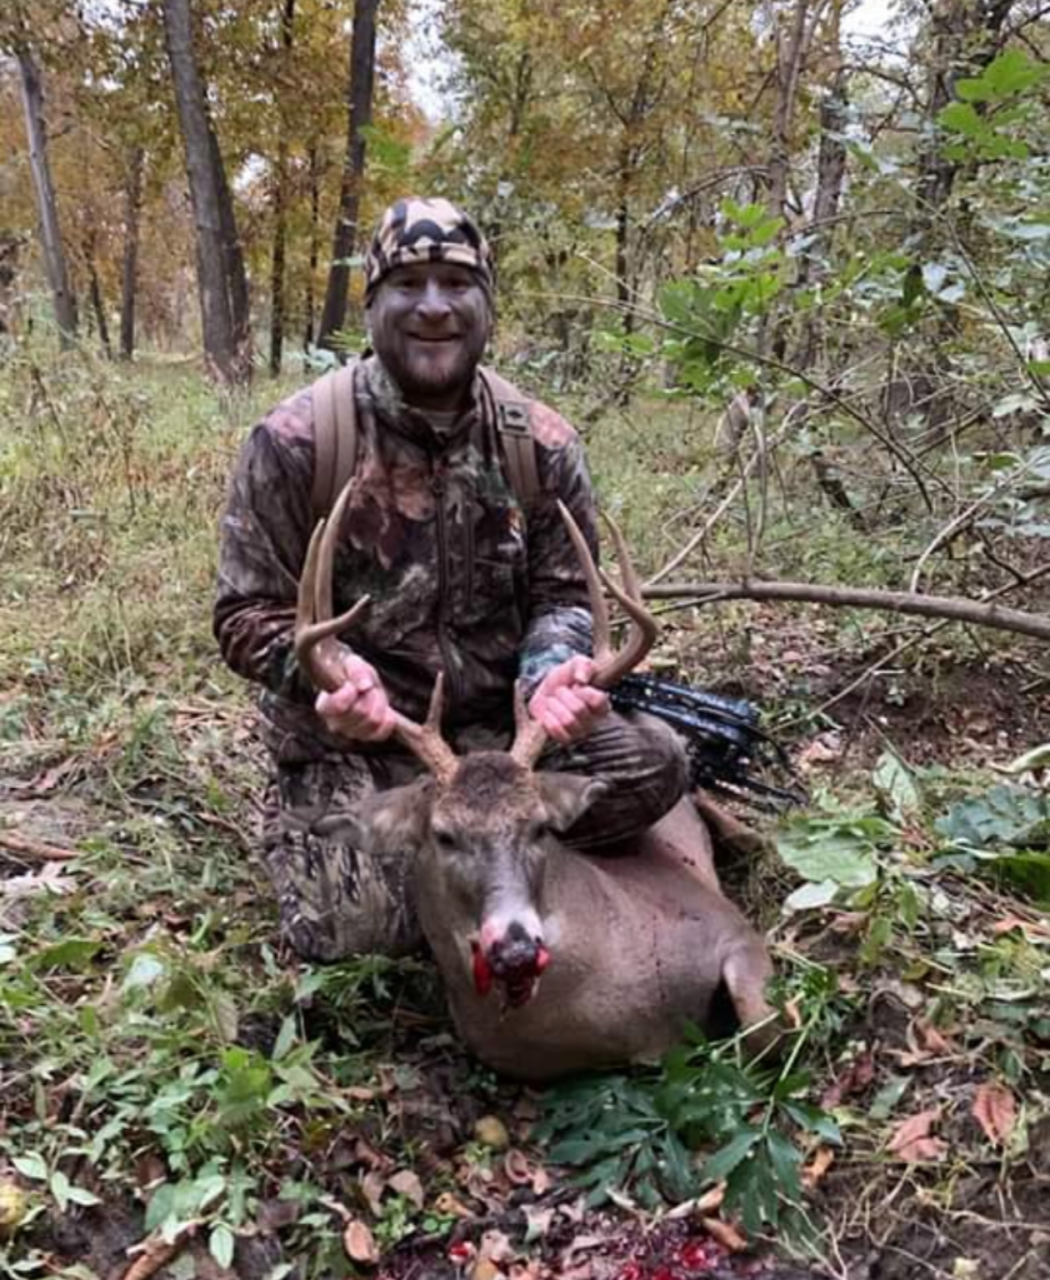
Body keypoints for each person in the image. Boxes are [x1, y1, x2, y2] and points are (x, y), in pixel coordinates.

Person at [214, 196, 687, 961]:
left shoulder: (540, 442)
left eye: (456, 284)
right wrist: (330, 680)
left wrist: (551, 676)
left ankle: (490, 861)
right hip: (368, 745)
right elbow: (245, 612)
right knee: (357, 929)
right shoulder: (297, 441)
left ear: (485, 303)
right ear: (372, 303)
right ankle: (495, 864)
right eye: (408, 285)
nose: (433, 307)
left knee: (657, 763)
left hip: (506, 749)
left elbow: (566, 595)